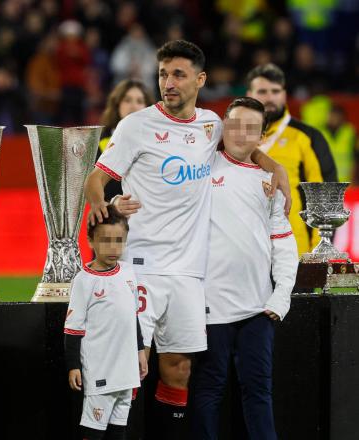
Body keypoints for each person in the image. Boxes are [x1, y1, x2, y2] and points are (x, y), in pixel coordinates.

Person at [84, 40, 290, 439]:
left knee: (178, 370)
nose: (168, 82)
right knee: (127, 367)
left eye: (178, 74)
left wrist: (272, 163)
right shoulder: (135, 126)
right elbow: (97, 178)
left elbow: (244, 146)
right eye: (162, 74)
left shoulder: (211, 125)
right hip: (142, 264)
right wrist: (103, 205)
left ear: (200, 80)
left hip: (189, 275)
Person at [191, 97, 298, 439]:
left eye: (251, 128)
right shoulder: (199, 167)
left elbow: (282, 243)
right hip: (209, 307)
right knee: (209, 390)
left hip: (257, 308)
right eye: (234, 124)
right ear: (222, 125)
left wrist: (281, 296)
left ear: (262, 137)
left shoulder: (270, 183)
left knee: (259, 392)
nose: (240, 133)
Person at [64, 205, 148, 440]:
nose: (113, 247)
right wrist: (73, 366)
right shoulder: (83, 281)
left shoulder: (129, 272)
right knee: (93, 431)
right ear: (91, 241)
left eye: (119, 240)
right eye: (105, 240)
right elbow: (72, 329)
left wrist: (140, 350)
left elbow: (133, 316)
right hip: (100, 371)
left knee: (118, 431)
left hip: (127, 370)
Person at [245, 63, 337, 255]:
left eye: (275, 91)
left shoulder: (307, 137)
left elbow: (325, 197)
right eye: (262, 91)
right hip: (246, 250)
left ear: (284, 94)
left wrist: (317, 254)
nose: (269, 97)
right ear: (249, 94)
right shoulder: (234, 138)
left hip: (294, 249)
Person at [98, 79, 154, 202]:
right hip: (112, 215)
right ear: (117, 104)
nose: (133, 106)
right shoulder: (100, 141)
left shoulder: (158, 140)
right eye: (127, 100)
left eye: (140, 101)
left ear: (147, 107)